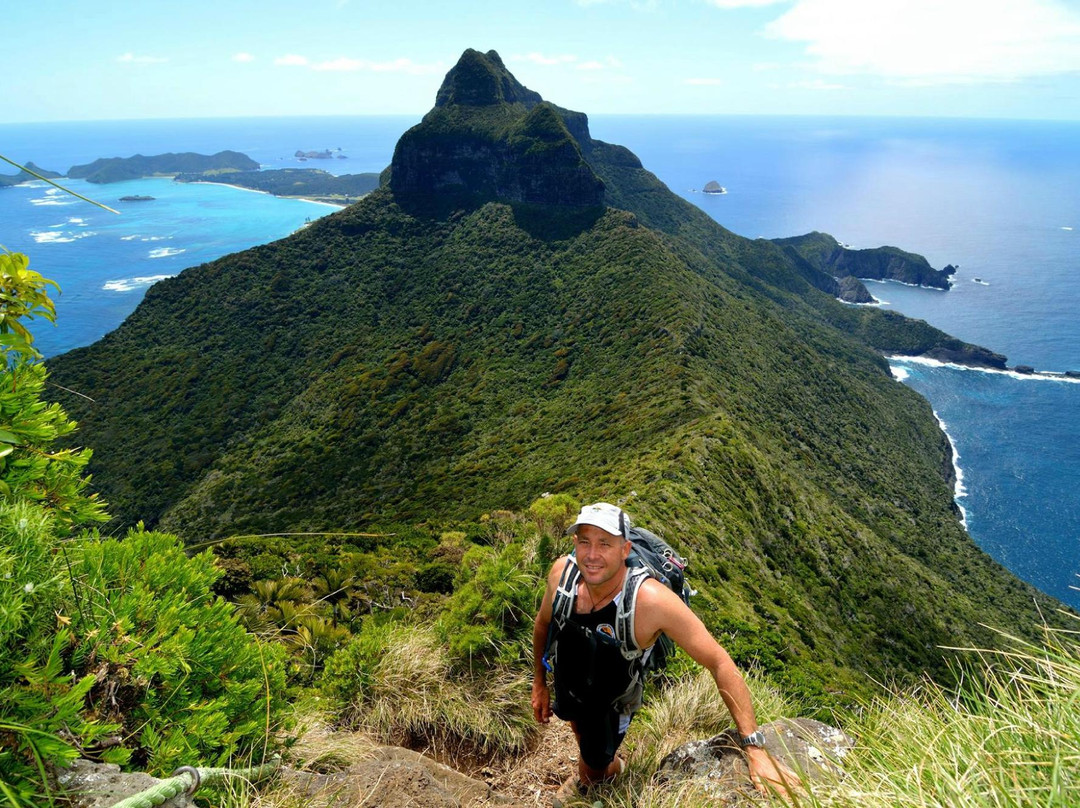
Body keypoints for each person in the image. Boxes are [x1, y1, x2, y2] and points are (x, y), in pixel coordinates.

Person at [531, 502, 800, 805]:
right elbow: (543, 624)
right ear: (574, 544)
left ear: (625, 549)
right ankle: (592, 757)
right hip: (570, 680)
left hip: (613, 699)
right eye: (584, 542)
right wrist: (539, 682)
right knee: (578, 725)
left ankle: (609, 770)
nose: (592, 555)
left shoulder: (652, 602)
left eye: (605, 544)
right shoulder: (561, 575)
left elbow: (720, 661)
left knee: (594, 768)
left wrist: (755, 749)